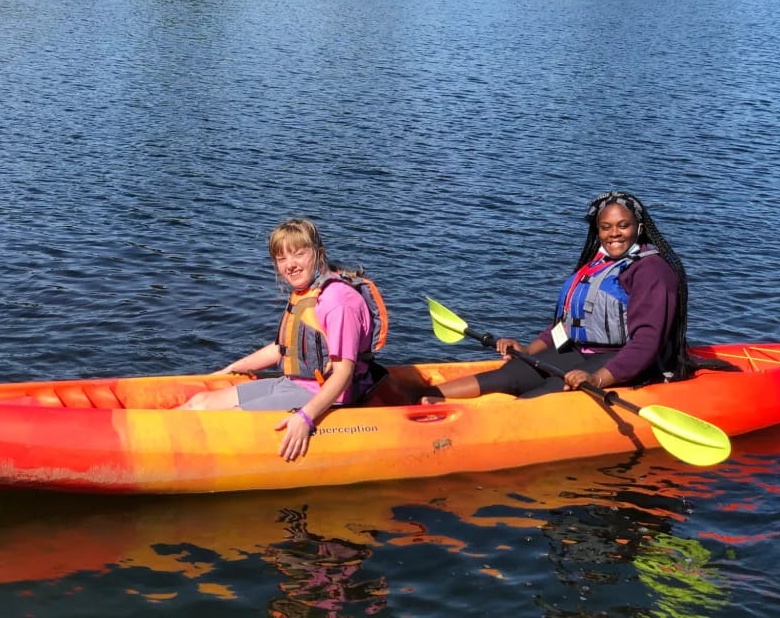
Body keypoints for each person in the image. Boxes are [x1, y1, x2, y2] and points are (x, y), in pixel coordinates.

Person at [419, 191, 690, 403]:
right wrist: (526, 350)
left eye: (623, 225)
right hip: (578, 352)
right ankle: (417, 400)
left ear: (639, 227)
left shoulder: (652, 270)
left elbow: (647, 342)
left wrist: (596, 379)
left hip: (621, 362)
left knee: (543, 393)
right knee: (507, 376)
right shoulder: (598, 263)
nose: (614, 233)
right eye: (606, 227)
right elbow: (567, 325)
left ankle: (468, 427)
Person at [180, 218, 387, 462]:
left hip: (325, 395)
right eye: (282, 259)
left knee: (226, 420)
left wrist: (305, 418)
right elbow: (280, 350)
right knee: (199, 403)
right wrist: (230, 369)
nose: (290, 265)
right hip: (293, 383)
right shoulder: (307, 293)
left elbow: (343, 374)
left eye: (298, 254)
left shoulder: (338, 302)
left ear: (319, 254)